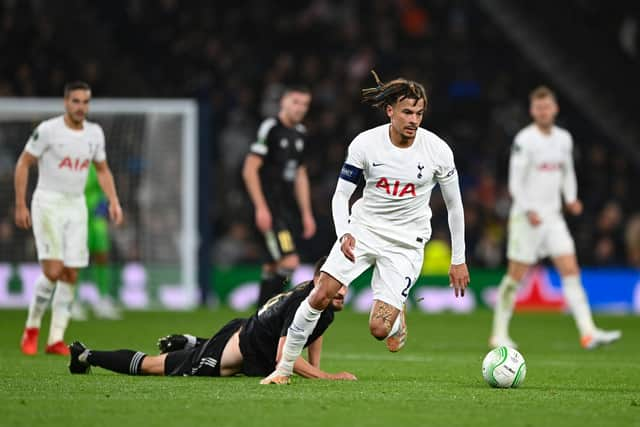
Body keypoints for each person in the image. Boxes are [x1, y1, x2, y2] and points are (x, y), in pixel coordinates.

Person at [261, 71, 470, 385]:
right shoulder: (366, 144)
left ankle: (397, 318)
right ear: (390, 110)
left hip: (406, 242)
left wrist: (458, 258)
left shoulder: (438, 151)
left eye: (419, 113)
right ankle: (283, 370)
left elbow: (455, 205)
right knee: (320, 295)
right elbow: (341, 194)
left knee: (378, 330)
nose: (414, 119)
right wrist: (344, 232)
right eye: (407, 112)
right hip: (363, 230)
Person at [68, 257, 356, 381]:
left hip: (249, 340)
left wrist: (316, 372)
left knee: (223, 363)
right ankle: (85, 356)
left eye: (346, 283)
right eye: (338, 283)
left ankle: (190, 341)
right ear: (320, 279)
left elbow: (314, 330)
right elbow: (284, 357)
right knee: (154, 366)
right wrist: (329, 377)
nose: (343, 290)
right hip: (233, 349)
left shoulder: (324, 302)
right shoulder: (302, 301)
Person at [489, 86, 622, 350]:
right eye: (538, 107)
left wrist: (571, 198)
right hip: (527, 218)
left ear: (555, 109)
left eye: (547, 107)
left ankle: (588, 332)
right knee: (516, 275)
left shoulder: (564, 139)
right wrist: (529, 210)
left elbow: (567, 173)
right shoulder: (524, 140)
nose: (543, 111)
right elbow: (515, 183)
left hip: (553, 218)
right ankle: (498, 333)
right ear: (532, 111)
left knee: (570, 269)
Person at [15, 81, 123, 356]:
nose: (80, 107)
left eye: (85, 102)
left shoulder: (95, 133)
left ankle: (55, 339)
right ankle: (32, 327)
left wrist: (113, 201)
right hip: (48, 203)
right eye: (76, 101)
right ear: (66, 102)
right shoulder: (48, 130)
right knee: (53, 271)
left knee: (71, 273)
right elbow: (24, 163)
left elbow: (102, 169)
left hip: (76, 207)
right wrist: (20, 204)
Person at [242, 85, 316, 307]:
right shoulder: (271, 128)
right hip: (269, 207)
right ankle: (270, 314)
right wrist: (261, 207)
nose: (300, 108)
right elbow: (250, 168)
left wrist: (306, 213)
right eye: (295, 102)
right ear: (283, 102)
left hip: (285, 208)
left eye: (305, 104)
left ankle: (259, 319)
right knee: (290, 261)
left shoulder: (301, 134)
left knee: (272, 266)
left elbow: (300, 175)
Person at [85, 163, 121, 319]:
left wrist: (104, 206)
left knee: (102, 255)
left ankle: (103, 299)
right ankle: (71, 302)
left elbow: (105, 186)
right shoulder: (72, 162)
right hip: (77, 216)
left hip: (96, 217)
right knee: (77, 259)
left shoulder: (97, 164)